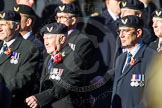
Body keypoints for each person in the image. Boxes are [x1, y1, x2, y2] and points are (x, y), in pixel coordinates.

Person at [25, 22, 94, 108]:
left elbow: (67, 85)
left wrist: (40, 98)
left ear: (62, 39)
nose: (46, 42)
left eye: (49, 38)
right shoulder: (48, 58)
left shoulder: (74, 59)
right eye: (44, 38)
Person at [111, 15, 157, 108]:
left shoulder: (152, 58)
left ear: (138, 32)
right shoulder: (121, 59)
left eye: (126, 31)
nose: (121, 35)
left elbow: (151, 97)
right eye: (119, 31)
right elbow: (115, 93)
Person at [0, 10, 40, 108]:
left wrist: (1, 90)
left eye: (3, 25)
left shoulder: (29, 48)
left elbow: (23, 78)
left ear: (17, 27)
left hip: (11, 102)